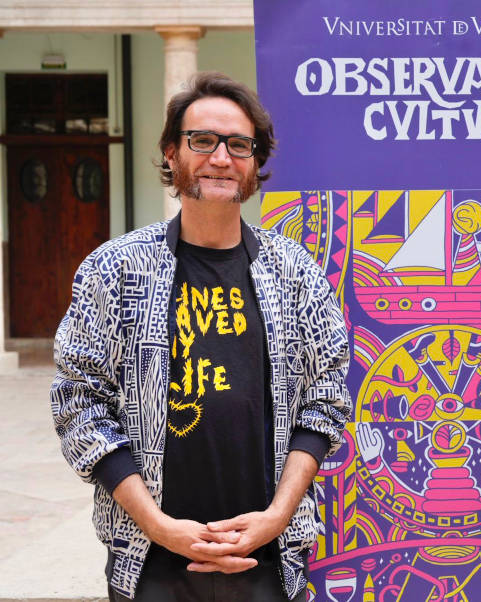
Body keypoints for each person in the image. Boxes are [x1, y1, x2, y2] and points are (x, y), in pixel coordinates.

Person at [50, 71, 351, 601]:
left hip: (269, 555)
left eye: (239, 144)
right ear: (172, 153)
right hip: (151, 559)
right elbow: (79, 404)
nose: (220, 157)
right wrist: (157, 525)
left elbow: (326, 398)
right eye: (202, 140)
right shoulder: (116, 269)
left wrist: (276, 518)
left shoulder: (294, 270)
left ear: (256, 163)